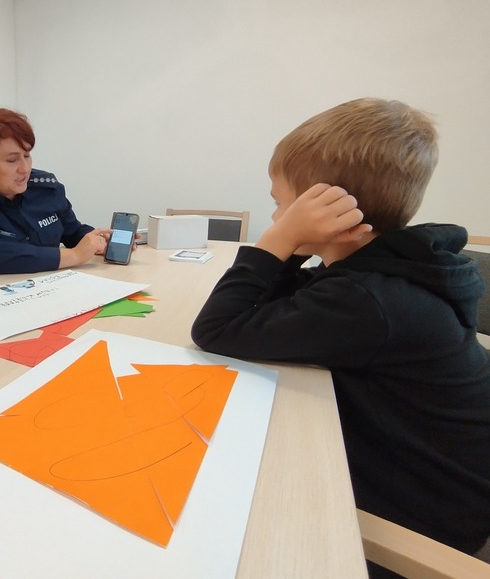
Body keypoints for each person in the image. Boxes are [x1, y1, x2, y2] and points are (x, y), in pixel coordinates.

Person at [189, 98, 490, 577]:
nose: (276, 217)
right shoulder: (378, 271)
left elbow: (216, 330)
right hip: (427, 474)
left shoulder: (366, 299)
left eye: (281, 204)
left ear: (327, 209)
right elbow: (271, 314)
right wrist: (291, 250)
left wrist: (279, 243)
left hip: (423, 517)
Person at [0, 107, 111, 274]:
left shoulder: (46, 188)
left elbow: (73, 232)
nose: (25, 169)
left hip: (55, 282)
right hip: (6, 287)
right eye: (12, 160)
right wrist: (75, 255)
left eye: (26, 156)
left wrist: (99, 240)